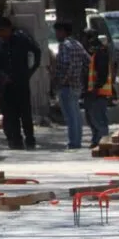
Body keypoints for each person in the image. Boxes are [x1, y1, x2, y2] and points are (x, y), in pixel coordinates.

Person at [0, 16, 42, 150]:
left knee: (25, 113)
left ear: (9, 29)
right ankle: (15, 140)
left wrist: (31, 70)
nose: (1, 33)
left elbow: (37, 51)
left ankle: (30, 140)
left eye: (3, 30)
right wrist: (0, 78)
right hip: (6, 86)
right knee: (10, 114)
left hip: (21, 82)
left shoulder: (22, 40)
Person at [51, 21, 90, 150]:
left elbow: (68, 66)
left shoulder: (64, 46)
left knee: (70, 116)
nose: (56, 34)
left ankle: (73, 143)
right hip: (77, 85)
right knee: (76, 114)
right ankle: (76, 140)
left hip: (66, 86)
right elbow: (87, 61)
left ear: (63, 32)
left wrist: (62, 80)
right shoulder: (77, 44)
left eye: (57, 32)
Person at [82, 28, 112, 148]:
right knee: (91, 119)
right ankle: (96, 141)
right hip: (91, 92)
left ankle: (104, 143)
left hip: (98, 93)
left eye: (84, 38)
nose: (82, 41)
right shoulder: (92, 52)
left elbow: (103, 73)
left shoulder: (100, 53)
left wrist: (96, 87)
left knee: (99, 119)